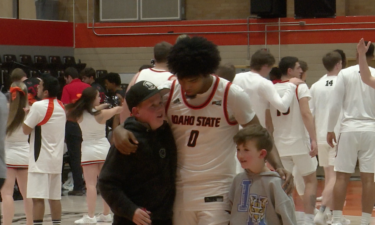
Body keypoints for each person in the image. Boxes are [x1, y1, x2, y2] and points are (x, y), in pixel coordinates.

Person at [113, 36, 293, 225]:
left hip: (218, 189)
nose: (186, 86)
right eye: (182, 80)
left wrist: (278, 166)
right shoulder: (170, 91)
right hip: (178, 189)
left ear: (207, 72)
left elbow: (259, 134)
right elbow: (142, 118)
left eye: (192, 80)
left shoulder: (231, 94)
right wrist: (119, 129)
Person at [99, 81, 177, 225]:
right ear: (136, 112)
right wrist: (130, 210)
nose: (160, 108)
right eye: (152, 105)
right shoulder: (129, 140)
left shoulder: (165, 132)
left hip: (163, 219)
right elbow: (106, 183)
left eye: (160, 103)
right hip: (133, 220)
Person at [327, 39, 375, 225]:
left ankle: (337, 219)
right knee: (369, 179)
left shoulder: (345, 74)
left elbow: (335, 104)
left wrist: (330, 128)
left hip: (348, 129)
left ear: (358, 53)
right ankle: (365, 220)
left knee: (341, 176)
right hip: (371, 129)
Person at [266, 56, 318, 225]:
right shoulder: (299, 87)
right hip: (300, 143)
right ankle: (309, 219)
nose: (301, 70)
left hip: (280, 145)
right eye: (298, 67)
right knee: (310, 180)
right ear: (289, 71)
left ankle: (285, 218)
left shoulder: (271, 89)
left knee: (284, 183)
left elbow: (268, 122)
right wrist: (314, 139)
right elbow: (306, 114)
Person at [65, 87, 122, 224]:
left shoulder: (78, 114)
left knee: (90, 185)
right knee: (106, 184)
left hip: (88, 150)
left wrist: (100, 106)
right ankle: (106, 214)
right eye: (97, 97)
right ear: (92, 99)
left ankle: (90, 216)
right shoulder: (102, 114)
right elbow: (118, 110)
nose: (99, 99)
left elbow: (87, 110)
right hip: (103, 149)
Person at [229, 125, 297, 225]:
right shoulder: (238, 180)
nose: (240, 155)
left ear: (262, 154)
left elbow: (288, 219)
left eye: (246, 150)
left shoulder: (277, 183)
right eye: (238, 149)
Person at [23, 74, 66, 225]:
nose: (37, 88)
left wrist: (25, 116)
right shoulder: (61, 106)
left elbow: (26, 130)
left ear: (46, 91)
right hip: (56, 158)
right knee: (55, 197)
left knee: (38, 198)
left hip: (39, 158)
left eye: (40, 86)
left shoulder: (38, 106)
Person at [310, 51, 343, 225]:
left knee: (329, 176)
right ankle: (323, 212)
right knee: (335, 177)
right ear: (338, 64)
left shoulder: (315, 85)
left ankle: (330, 214)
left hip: (321, 135)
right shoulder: (344, 82)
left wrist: (312, 139)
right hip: (337, 135)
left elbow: (310, 113)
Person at [233, 49, 302, 127]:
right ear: (265, 66)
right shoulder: (264, 83)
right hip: (255, 129)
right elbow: (283, 107)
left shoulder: (236, 77)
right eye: (270, 67)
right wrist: (291, 85)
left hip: (237, 128)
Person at [120, 41, 175, 124]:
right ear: (172, 58)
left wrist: (124, 128)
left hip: (136, 129)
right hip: (158, 131)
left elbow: (126, 107)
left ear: (154, 57)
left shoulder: (140, 74)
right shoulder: (173, 80)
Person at [1, 82, 33, 225]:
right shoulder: (31, 111)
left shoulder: (4, 110)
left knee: (7, 194)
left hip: (7, 156)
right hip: (25, 155)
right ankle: (30, 222)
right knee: (27, 194)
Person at [61, 67, 90, 196]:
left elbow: (65, 108)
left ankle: (78, 186)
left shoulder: (67, 88)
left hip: (73, 124)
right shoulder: (88, 87)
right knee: (88, 155)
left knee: (75, 157)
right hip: (88, 124)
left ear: (68, 77)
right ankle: (91, 185)